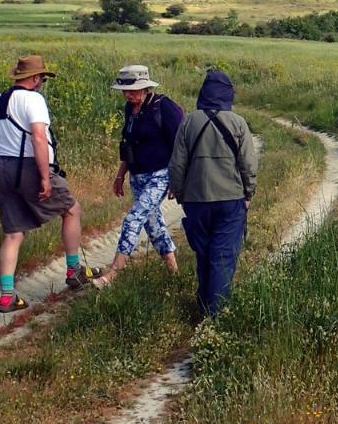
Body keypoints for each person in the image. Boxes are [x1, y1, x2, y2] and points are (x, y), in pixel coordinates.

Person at [0, 54, 99, 313]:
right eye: (42, 78)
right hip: (29, 167)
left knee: (13, 233)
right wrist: (45, 177)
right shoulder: (34, 100)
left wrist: (0, 170)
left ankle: (6, 296)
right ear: (35, 78)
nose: (42, 83)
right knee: (71, 210)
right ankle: (74, 272)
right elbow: (39, 137)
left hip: (2, 167)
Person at [168, 68, 258, 317]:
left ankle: (205, 303)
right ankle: (216, 314)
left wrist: (178, 190)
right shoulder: (238, 122)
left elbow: (177, 163)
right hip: (231, 199)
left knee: (204, 251)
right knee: (223, 255)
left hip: (196, 201)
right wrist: (248, 193)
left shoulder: (188, 121)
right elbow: (249, 164)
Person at [106, 64, 184, 280]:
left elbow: (181, 146)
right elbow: (128, 144)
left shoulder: (165, 107)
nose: (128, 95)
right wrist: (120, 175)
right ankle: (174, 273)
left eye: (133, 90)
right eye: (125, 91)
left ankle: (112, 274)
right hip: (137, 176)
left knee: (133, 219)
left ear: (145, 88)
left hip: (161, 175)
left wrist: (177, 181)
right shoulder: (130, 110)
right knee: (153, 224)